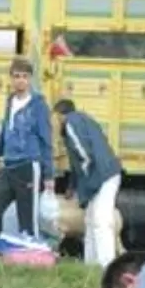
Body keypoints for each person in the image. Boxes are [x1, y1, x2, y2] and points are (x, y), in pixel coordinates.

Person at [0, 57, 54, 259]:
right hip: (9, 165)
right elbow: (5, 135)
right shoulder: (10, 102)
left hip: (29, 165)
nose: (20, 81)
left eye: (24, 77)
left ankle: (32, 259)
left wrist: (49, 174)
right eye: (16, 76)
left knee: (27, 219)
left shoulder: (38, 105)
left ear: (30, 80)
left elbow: (46, 140)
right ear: (10, 78)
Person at [54, 99, 122, 267]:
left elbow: (83, 154)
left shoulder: (71, 122)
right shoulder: (85, 120)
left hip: (101, 176)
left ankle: (106, 266)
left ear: (59, 115)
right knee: (91, 221)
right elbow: (76, 162)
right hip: (104, 174)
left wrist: (86, 178)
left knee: (101, 221)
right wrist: (72, 186)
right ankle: (91, 265)